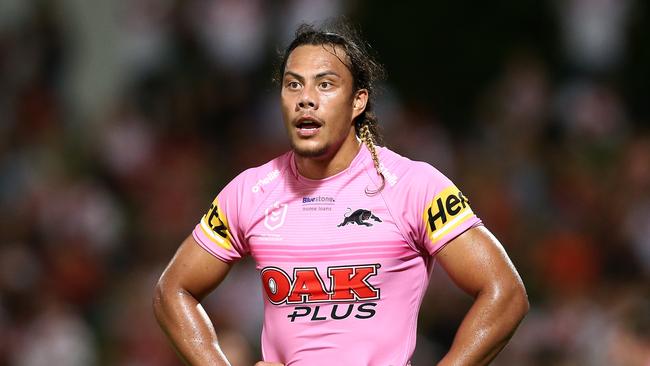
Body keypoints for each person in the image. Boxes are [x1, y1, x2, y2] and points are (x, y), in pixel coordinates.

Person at [153, 20, 529, 366]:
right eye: (293, 84)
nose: (306, 98)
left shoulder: (414, 186)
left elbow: (506, 293)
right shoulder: (249, 192)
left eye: (325, 84)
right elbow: (172, 291)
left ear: (358, 101)